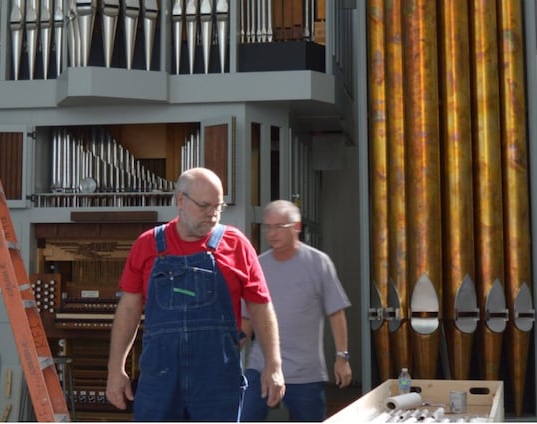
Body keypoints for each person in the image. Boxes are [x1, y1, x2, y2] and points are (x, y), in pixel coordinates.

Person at [105, 167, 286, 421]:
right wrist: (116, 369)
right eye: (204, 206)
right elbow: (128, 309)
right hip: (160, 382)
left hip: (217, 383)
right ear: (180, 200)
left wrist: (274, 365)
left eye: (218, 207)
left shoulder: (236, 245)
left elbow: (261, 306)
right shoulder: (147, 245)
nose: (212, 215)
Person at [240, 199, 352, 422]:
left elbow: (336, 312)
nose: (272, 233)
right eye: (268, 227)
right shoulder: (257, 266)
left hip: (305, 371)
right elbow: (247, 318)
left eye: (280, 226)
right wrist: (229, 352)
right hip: (261, 366)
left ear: (297, 227)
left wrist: (342, 357)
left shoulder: (318, 263)